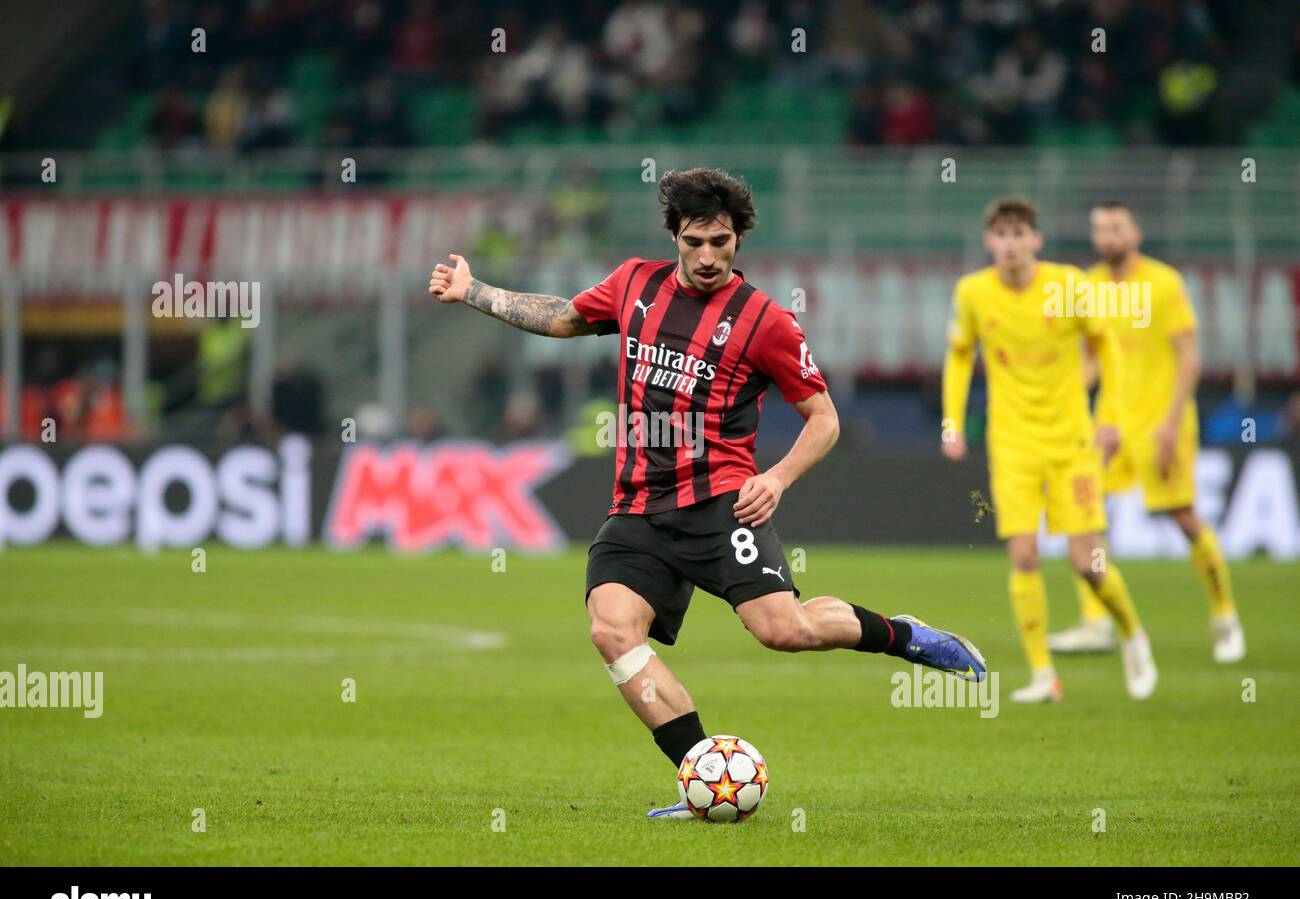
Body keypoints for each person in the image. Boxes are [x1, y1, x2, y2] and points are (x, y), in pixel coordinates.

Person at [430, 167, 986, 818]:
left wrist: (775, 479)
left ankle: (903, 635)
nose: (707, 256)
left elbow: (825, 419)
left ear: (739, 239)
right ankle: (701, 781)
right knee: (611, 632)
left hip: (720, 505)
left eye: (721, 242)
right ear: (674, 236)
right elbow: (562, 317)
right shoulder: (634, 284)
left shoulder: (766, 322)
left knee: (784, 631)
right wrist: (474, 291)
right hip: (637, 508)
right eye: (695, 241)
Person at [941, 195, 1156, 703]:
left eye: (1020, 235)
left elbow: (1108, 347)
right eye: (1002, 235)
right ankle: (1044, 675)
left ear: (1036, 240)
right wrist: (952, 424)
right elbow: (958, 357)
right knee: (1023, 554)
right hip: (1012, 443)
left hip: (1071, 442)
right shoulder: (973, 292)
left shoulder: (1069, 285)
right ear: (989, 242)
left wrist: (1111, 417)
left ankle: (1132, 632)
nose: (1011, 244)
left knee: (1089, 562)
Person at [1048, 202, 1244, 663]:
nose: (1106, 236)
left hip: (1162, 423)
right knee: (1087, 521)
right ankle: (1097, 621)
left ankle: (1224, 616)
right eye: (1098, 228)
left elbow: (1188, 356)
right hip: (1108, 427)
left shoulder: (1164, 283)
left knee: (1184, 516)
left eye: (1115, 227)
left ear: (1135, 233)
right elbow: (1091, 361)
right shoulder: (1088, 286)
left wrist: (1172, 423)